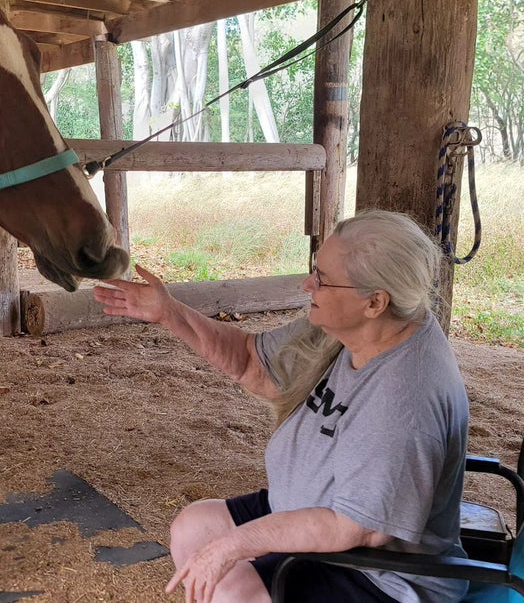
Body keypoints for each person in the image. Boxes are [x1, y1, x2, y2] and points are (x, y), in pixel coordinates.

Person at [93, 209, 469, 603]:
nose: (308, 284)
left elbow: (358, 528)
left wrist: (237, 543)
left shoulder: (404, 396)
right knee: (195, 528)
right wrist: (169, 313)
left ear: (374, 302)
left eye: (322, 280)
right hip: (313, 515)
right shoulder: (348, 327)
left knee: (232, 587)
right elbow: (252, 361)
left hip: (379, 576)